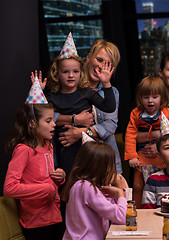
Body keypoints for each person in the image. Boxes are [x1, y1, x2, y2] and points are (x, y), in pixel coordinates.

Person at [33, 34, 116, 178]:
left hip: (85, 149)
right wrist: (38, 92)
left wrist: (106, 83)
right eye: (66, 72)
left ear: (80, 73)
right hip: (61, 148)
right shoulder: (53, 97)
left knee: (87, 183)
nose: (71, 75)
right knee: (67, 184)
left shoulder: (87, 93)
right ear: (57, 74)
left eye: (75, 72)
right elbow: (37, 115)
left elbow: (109, 107)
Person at [4, 101, 65, 240]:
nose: (54, 124)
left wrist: (60, 178)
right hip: (36, 224)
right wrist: (45, 189)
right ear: (32, 123)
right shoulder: (24, 150)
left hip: (55, 217)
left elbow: (47, 179)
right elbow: (9, 188)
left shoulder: (48, 145)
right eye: (48, 121)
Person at [124, 75, 169, 208]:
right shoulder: (136, 114)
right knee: (138, 186)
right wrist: (131, 156)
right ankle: (138, 211)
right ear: (140, 98)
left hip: (162, 159)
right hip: (141, 158)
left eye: (155, 97)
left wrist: (161, 147)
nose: (150, 101)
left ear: (162, 97)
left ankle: (165, 208)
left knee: (162, 185)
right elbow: (130, 134)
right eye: (146, 97)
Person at [61, 141, 128, 240]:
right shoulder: (87, 187)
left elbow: (118, 211)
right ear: (99, 167)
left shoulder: (83, 185)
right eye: (111, 166)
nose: (113, 171)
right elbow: (122, 217)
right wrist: (120, 193)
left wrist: (121, 192)